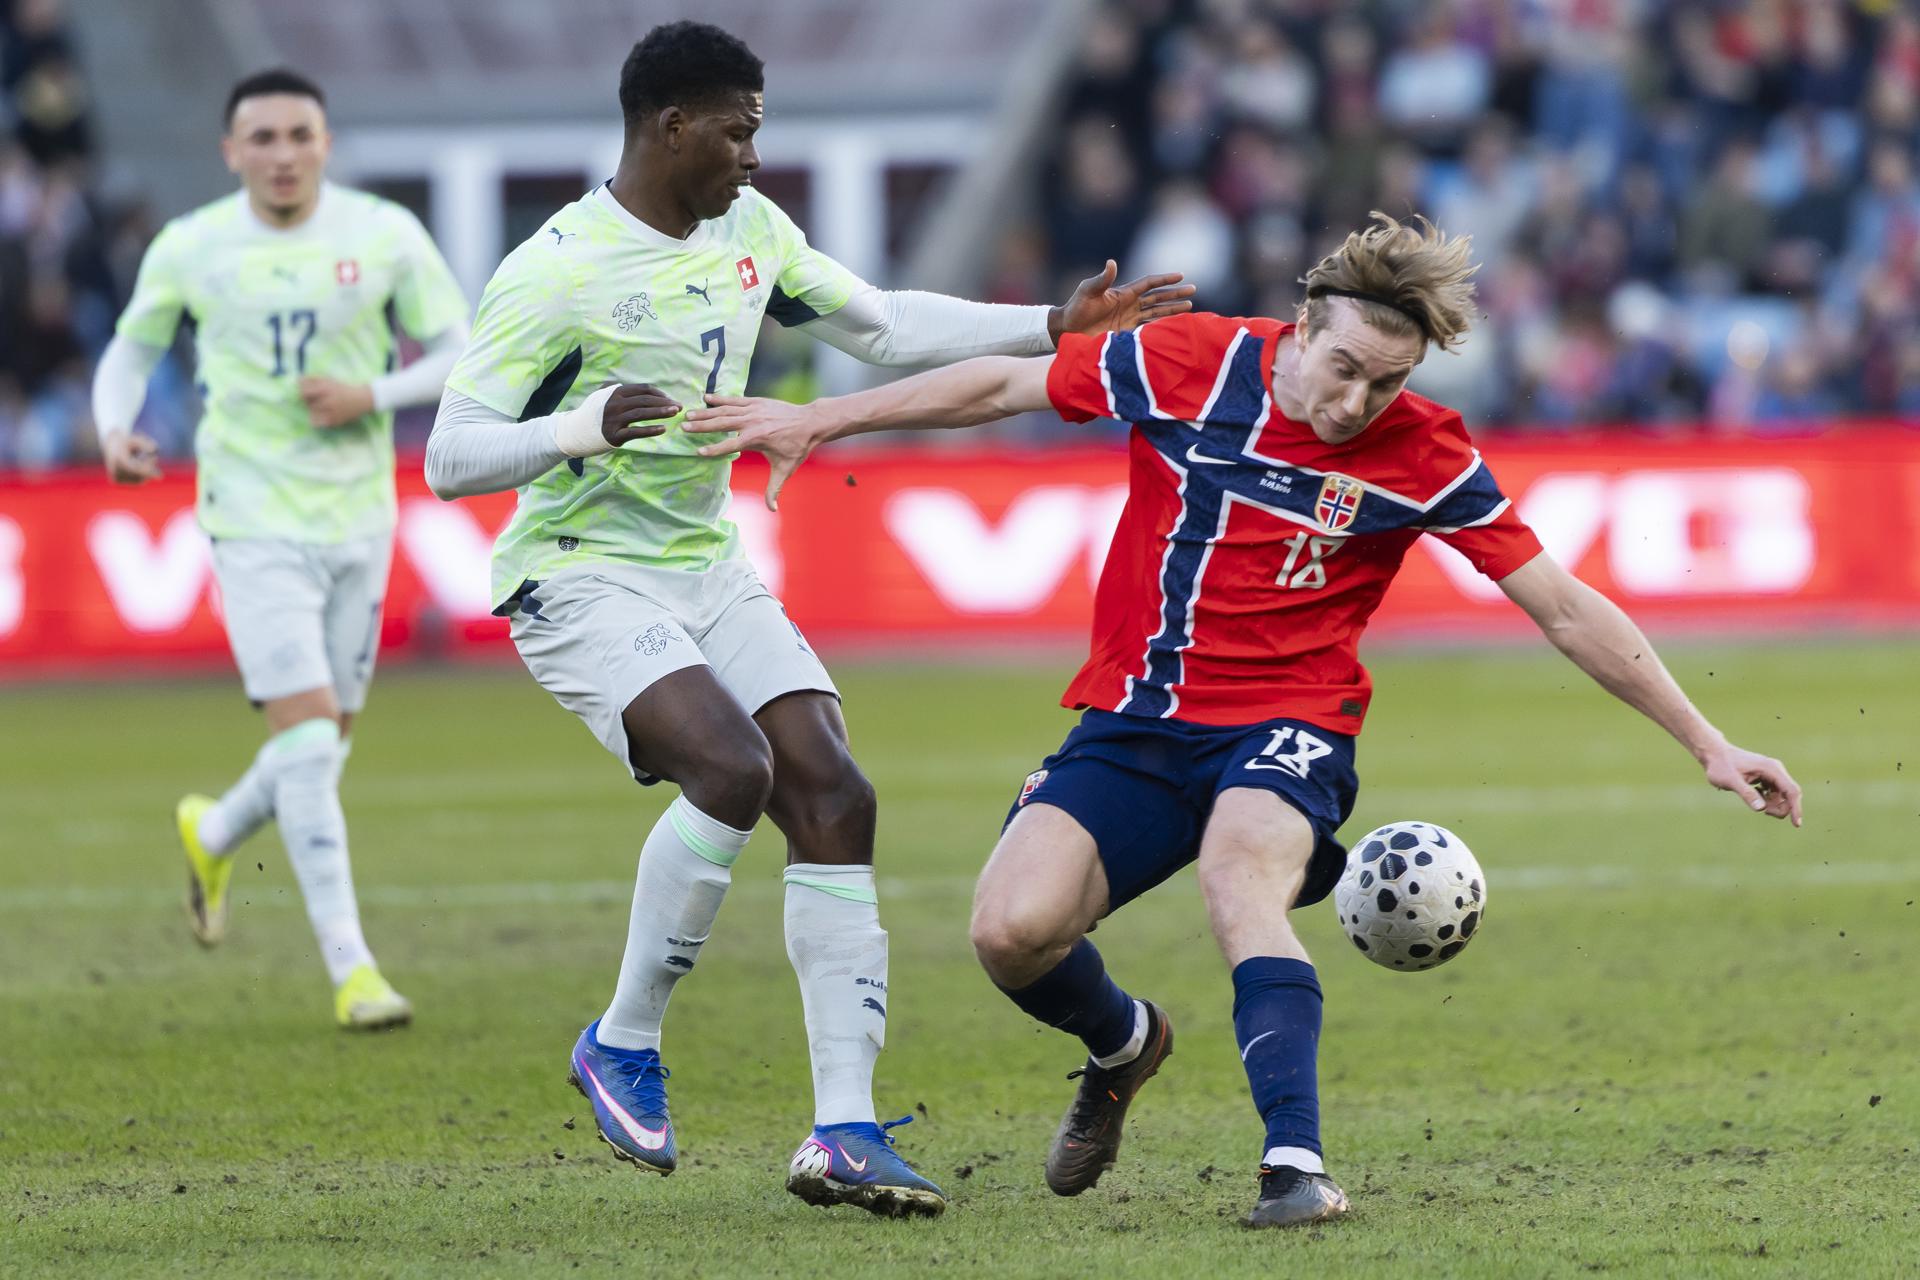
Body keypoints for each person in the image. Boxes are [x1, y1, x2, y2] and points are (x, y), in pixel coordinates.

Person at [687, 212, 1804, 1228]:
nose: (1358, 401)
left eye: (1387, 381)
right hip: (1136, 717)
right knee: (1010, 933)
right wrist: (822, 417)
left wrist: (1708, 741)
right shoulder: (1188, 361)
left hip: (1291, 721)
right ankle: (1127, 1043)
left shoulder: (1426, 450)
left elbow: (1562, 605)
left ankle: (1295, 1162)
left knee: (1239, 870)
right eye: (1346, 367)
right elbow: (998, 388)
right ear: (1303, 325)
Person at [422, 20, 1191, 1218]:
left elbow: (878, 322)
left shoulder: (750, 233)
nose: (752, 156)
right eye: (739, 131)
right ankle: (621, 1039)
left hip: (703, 563)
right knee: (733, 767)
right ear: (670, 127)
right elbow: (449, 456)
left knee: (834, 791)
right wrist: (578, 427)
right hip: (576, 572)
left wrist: (1047, 325)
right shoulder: (556, 267)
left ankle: (842, 1129)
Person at [93, 68, 471, 1030]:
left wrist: (373, 398)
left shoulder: (382, 233)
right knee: (307, 742)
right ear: (232, 153)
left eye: (300, 134)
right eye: (261, 138)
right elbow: (132, 349)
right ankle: (354, 971)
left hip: (357, 516)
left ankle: (214, 829)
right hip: (251, 513)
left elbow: (453, 345)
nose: (282, 153)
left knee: (323, 746)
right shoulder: (193, 246)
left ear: (325, 143)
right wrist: (113, 428)